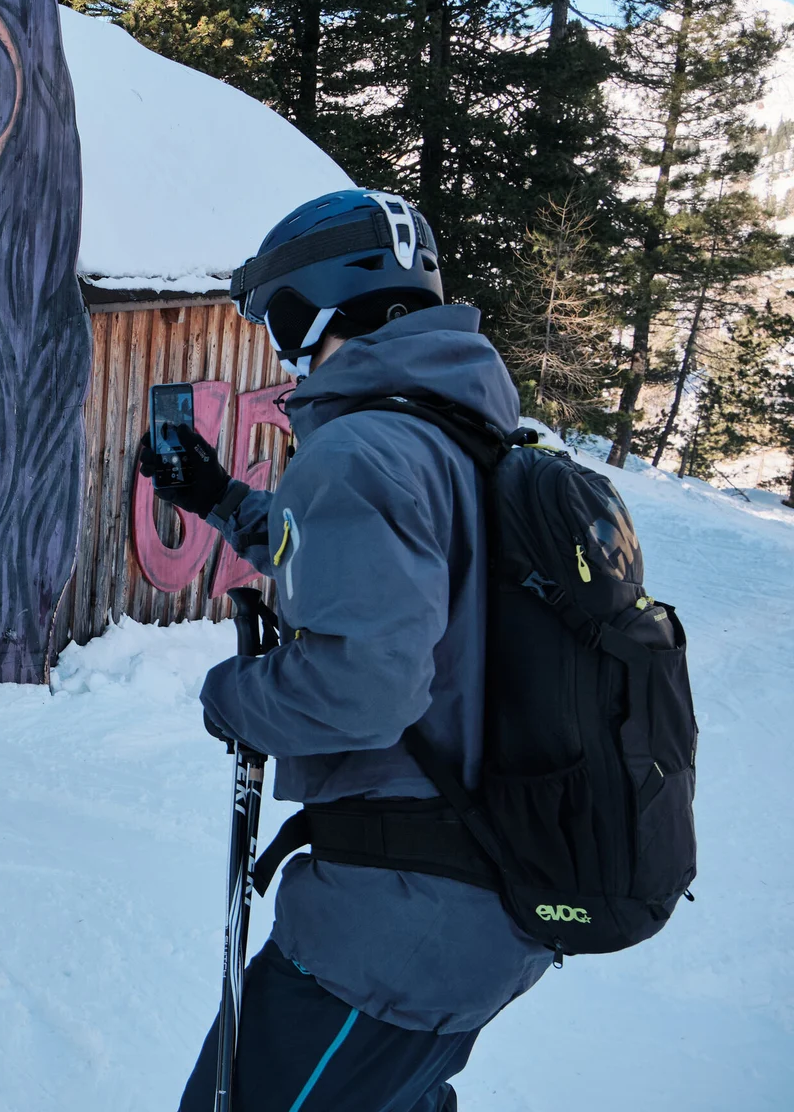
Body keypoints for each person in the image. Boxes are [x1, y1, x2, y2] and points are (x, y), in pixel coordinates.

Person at [156, 190, 555, 1111]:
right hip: (484, 901)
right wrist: (223, 499)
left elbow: (366, 684)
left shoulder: (365, 449)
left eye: (278, 318)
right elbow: (365, 567)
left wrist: (234, 696)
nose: (278, 345)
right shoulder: (464, 435)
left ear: (318, 307)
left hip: (394, 927)